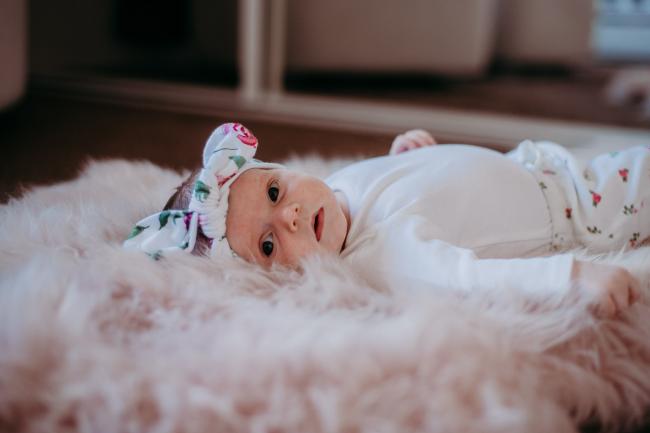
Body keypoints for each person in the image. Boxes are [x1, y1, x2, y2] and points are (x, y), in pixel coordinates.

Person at [124, 123, 649, 317]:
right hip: (589, 211)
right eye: (267, 245)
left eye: (276, 191)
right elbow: (469, 279)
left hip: (539, 164)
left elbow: (404, 187)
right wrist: (573, 276)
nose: (291, 216)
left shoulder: (338, 191)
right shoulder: (385, 256)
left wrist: (405, 156)